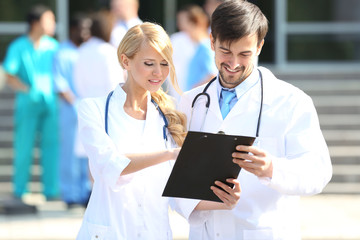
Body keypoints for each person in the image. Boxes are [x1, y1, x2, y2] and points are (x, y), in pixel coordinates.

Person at [178, 1, 332, 239]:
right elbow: (171, 180)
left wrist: (272, 168)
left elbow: (318, 173)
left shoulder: (291, 102)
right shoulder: (190, 103)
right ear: (211, 41)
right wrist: (202, 202)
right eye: (225, 51)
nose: (233, 64)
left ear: (259, 46)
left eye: (244, 54)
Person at [75, 22, 240, 240]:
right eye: (149, 63)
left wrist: (223, 200)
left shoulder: (170, 114)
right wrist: (170, 154)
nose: (158, 73)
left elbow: (178, 193)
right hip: (110, 232)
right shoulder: (93, 110)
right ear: (126, 61)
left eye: (164, 64)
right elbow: (109, 164)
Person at [2, 4, 60, 199]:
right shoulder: (19, 46)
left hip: (51, 102)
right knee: (24, 146)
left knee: (52, 146)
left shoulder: (53, 46)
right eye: (49, 19)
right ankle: (20, 190)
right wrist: (26, 90)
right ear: (36, 23)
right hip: (28, 102)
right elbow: (8, 73)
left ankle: (51, 190)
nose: (53, 24)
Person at [52, 13, 92, 208]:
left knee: (88, 151)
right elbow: (60, 84)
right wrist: (76, 104)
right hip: (70, 110)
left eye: (88, 30)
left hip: (89, 111)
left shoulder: (88, 52)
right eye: (81, 29)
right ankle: (70, 194)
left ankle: (86, 192)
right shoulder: (62, 52)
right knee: (69, 153)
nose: (85, 34)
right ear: (72, 30)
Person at [73, 10, 124, 99]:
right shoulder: (109, 51)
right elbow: (115, 83)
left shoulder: (82, 50)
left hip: (87, 102)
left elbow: (78, 82)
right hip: (107, 104)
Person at [180, 4, 217, 91]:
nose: (181, 26)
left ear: (195, 23)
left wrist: (193, 91)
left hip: (198, 99)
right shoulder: (199, 46)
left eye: (184, 22)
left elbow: (213, 74)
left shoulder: (205, 46)